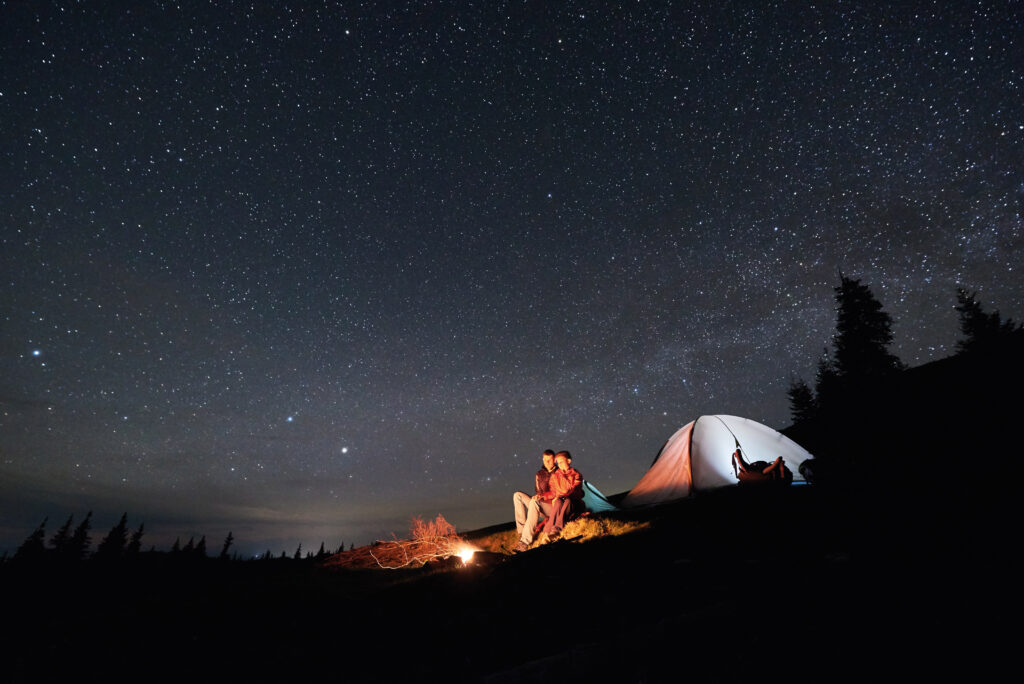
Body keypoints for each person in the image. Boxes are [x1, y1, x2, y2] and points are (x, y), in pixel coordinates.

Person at [512, 449, 557, 552]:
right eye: (545, 460)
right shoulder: (539, 474)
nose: (547, 462)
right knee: (517, 495)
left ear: (554, 460)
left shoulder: (558, 473)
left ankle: (525, 542)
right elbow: (538, 491)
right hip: (540, 504)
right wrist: (537, 496)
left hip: (551, 507)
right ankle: (522, 532)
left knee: (534, 502)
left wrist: (541, 497)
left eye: (550, 460)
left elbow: (557, 492)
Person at [540, 450, 583, 542]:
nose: (559, 465)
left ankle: (556, 530)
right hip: (561, 500)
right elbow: (553, 492)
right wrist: (542, 496)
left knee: (567, 500)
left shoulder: (576, 474)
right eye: (557, 463)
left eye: (561, 462)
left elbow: (575, 489)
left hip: (573, 502)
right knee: (558, 501)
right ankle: (547, 532)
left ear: (569, 461)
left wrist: (565, 495)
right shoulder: (555, 475)